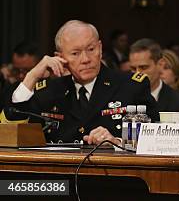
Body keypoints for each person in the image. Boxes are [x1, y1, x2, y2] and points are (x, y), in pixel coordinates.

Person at [2, 20, 158, 144]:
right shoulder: (48, 92)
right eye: (75, 53)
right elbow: (11, 129)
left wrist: (117, 142)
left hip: (114, 178)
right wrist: (32, 76)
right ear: (60, 56)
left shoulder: (131, 86)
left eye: (91, 49)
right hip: (59, 178)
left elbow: (154, 138)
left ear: (100, 48)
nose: (85, 59)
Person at [128, 38, 179, 122]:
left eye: (144, 67)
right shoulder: (122, 99)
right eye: (133, 68)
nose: (137, 73)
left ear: (160, 64)